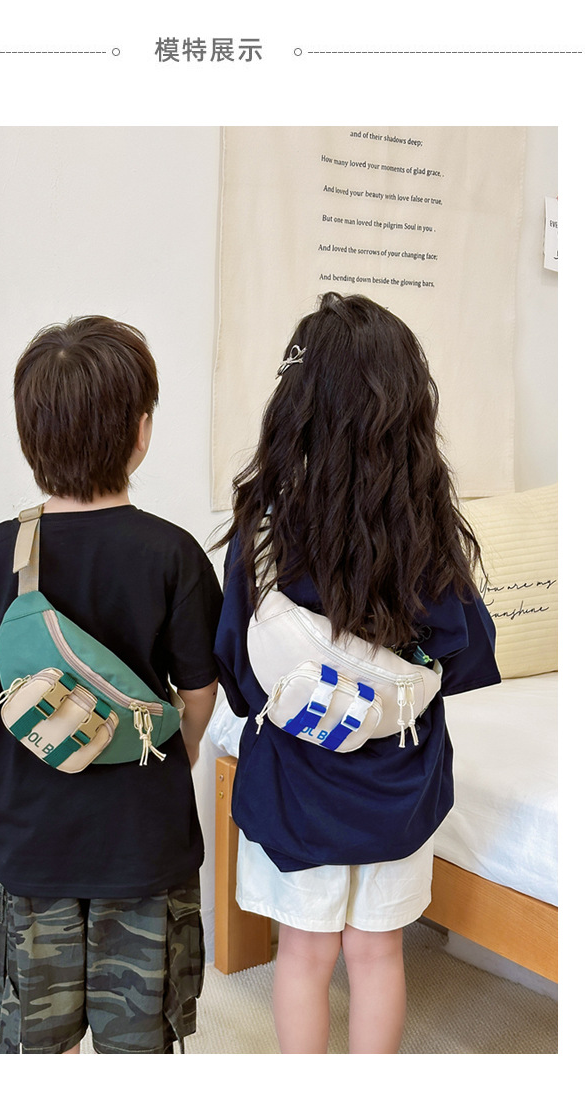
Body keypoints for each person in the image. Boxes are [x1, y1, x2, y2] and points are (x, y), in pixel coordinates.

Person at [213, 291, 501, 1054]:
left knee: (304, 956)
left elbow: (237, 671)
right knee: (377, 955)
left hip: (296, 783)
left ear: (296, 406)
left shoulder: (264, 529)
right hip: (396, 788)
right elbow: (468, 652)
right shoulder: (423, 531)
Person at [0, 315, 222, 1054]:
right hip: (143, 842)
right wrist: (180, 754)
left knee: (39, 1048)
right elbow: (199, 692)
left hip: (31, 838)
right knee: (138, 1046)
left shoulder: (5, 550)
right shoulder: (174, 553)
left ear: (29, 437)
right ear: (142, 431)